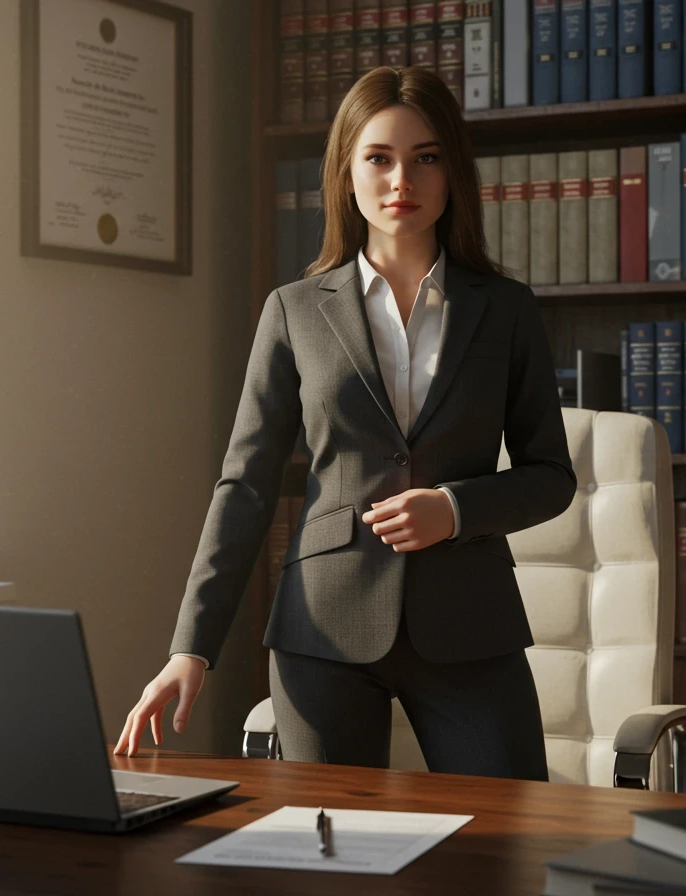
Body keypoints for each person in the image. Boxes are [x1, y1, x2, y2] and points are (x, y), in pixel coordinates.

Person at [113, 66, 576, 781]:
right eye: (379, 158)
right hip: (321, 629)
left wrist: (454, 509)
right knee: (327, 854)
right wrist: (190, 648)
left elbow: (551, 476)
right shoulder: (294, 310)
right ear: (347, 172)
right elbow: (245, 486)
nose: (402, 180)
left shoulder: (506, 309)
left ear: (452, 170)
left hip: (470, 623)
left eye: (426, 157)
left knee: (511, 846)